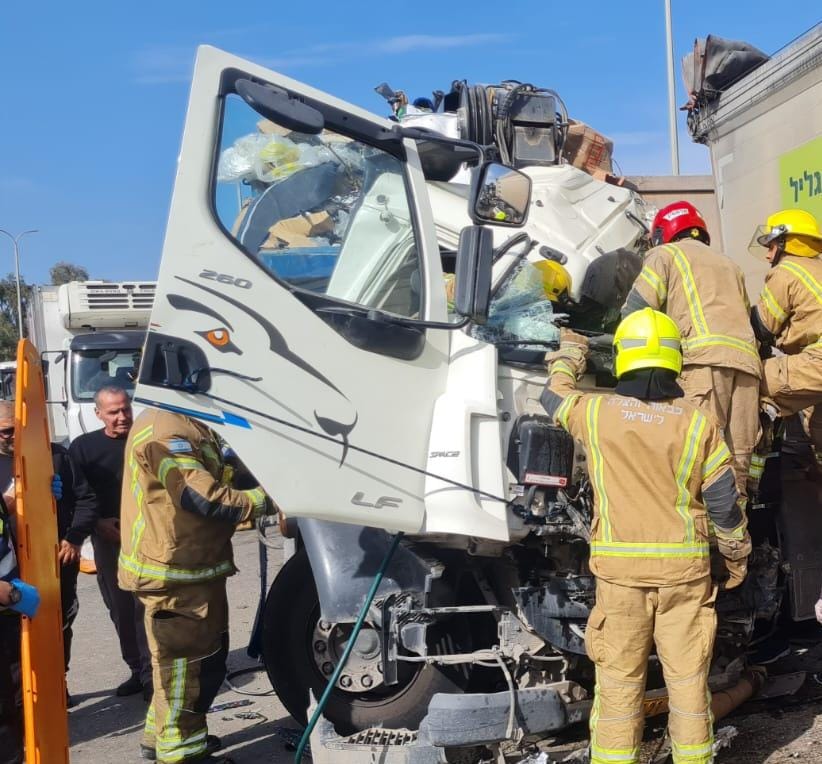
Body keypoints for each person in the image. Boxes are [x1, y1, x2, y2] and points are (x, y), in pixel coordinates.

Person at [541, 308, 751, 764]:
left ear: (623, 358)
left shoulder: (596, 414)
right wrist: (735, 559)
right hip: (685, 578)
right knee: (688, 684)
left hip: (620, 580)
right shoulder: (698, 424)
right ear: (675, 359)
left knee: (618, 685)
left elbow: (553, 396)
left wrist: (570, 353)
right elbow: (724, 505)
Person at [118, 407, 275, 763]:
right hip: (175, 571)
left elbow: (215, 471)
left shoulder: (186, 421)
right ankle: (182, 753)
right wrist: (268, 500)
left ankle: (159, 737)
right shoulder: (165, 427)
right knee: (188, 668)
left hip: (189, 565)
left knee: (176, 665)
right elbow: (200, 495)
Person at [622, 201, 761, 506]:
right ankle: (733, 533)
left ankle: (693, 532)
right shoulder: (730, 265)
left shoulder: (664, 255)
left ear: (663, 233)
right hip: (748, 369)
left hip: (702, 364)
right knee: (736, 463)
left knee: (698, 455)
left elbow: (636, 312)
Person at [0, 401, 96, 692]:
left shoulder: (55, 456)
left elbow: (86, 500)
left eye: (17, 429)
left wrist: (74, 538)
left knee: (58, 622)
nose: (13, 437)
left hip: (53, 559)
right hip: (10, 568)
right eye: (5, 432)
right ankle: (25, 693)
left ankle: (56, 683)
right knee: (15, 633)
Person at [69, 387, 151, 700]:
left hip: (148, 536)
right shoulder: (84, 448)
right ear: (98, 414)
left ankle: (151, 674)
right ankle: (136, 668)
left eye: (125, 409)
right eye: (113, 412)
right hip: (108, 538)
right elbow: (78, 495)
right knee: (120, 607)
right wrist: (98, 524)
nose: (121, 417)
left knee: (147, 606)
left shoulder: (146, 439)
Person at [749, 209, 822, 456]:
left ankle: (759, 454)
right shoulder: (816, 268)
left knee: (752, 377)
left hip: (818, 362)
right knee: (817, 427)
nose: (768, 255)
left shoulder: (787, 270)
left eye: (771, 246)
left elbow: (762, 326)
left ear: (785, 242)